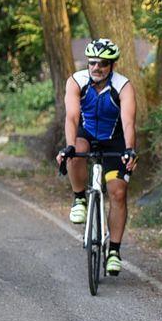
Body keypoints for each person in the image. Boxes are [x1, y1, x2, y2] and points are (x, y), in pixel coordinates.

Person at [55, 38, 137, 276]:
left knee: (118, 192)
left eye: (102, 63)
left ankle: (114, 251)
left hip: (115, 139)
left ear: (112, 65)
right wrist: (69, 146)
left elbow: (128, 122)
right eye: (92, 63)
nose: (96, 67)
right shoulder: (76, 81)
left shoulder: (123, 86)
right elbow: (72, 117)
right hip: (87, 134)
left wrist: (129, 149)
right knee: (75, 151)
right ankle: (79, 198)